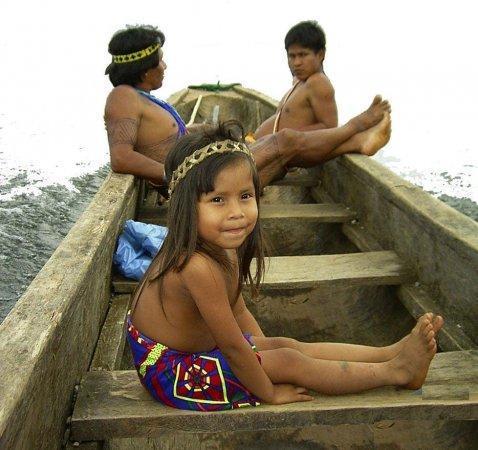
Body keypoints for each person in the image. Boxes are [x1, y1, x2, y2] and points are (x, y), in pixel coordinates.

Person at [126, 121, 444, 411]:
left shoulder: (221, 247)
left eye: (246, 196)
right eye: (218, 200)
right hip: (169, 370)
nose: (236, 212)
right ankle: (398, 371)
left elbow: (238, 315)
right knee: (290, 360)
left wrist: (266, 353)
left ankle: (389, 353)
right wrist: (269, 389)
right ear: (186, 205)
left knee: (286, 347)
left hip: (192, 350)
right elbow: (235, 348)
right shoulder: (197, 266)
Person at [104, 25, 392, 188]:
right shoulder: (122, 97)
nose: (164, 66)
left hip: (203, 170)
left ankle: (357, 142)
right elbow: (121, 157)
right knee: (285, 140)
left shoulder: (139, 96)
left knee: (280, 152)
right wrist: (172, 177)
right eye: (160, 60)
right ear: (144, 68)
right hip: (197, 179)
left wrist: (199, 130)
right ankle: (356, 129)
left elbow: (161, 140)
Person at [254, 20, 338, 139]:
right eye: (291, 56)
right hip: (262, 147)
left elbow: (329, 128)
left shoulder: (318, 82)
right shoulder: (301, 82)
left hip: (278, 151)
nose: (296, 63)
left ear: (320, 55)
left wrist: (285, 137)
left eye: (303, 55)